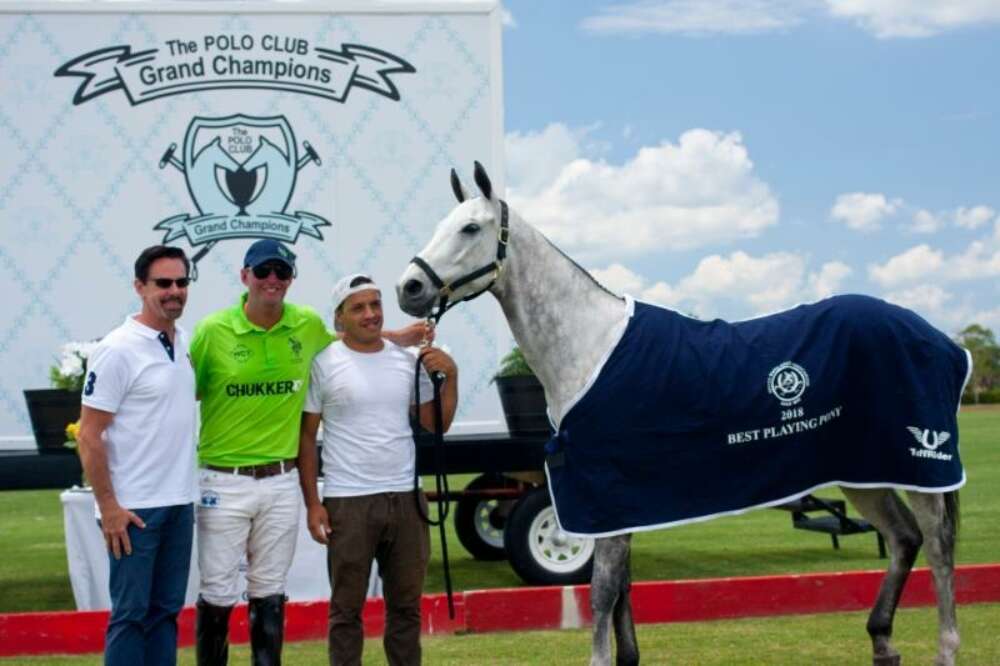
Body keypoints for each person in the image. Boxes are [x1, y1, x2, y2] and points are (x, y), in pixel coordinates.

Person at [190, 240, 429, 666]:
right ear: (244, 276)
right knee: (218, 591)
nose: (272, 280)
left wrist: (401, 337)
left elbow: (353, 336)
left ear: (291, 279)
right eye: (263, 271)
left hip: (280, 480)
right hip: (223, 480)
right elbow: (183, 392)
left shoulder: (305, 325)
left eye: (281, 272)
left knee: (268, 587)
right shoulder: (212, 331)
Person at [297, 273, 458, 666]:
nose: (369, 314)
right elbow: (306, 438)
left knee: (406, 609)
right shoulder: (323, 363)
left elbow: (435, 425)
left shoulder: (407, 361)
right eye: (359, 307)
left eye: (375, 305)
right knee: (346, 610)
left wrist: (450, 376)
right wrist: (314, 504)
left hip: (406, 498)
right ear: (340, 318)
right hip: (348, 502)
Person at [76, 245, 197, 666]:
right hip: (133, 511)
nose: (174, 291)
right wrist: (108, 506)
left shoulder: (183, 341)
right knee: (130, 616)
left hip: (180, 502)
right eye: (163, 283)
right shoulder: (117, 349)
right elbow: (89, 435)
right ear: (140, 287)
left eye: (182, 282)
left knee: (165, 614)